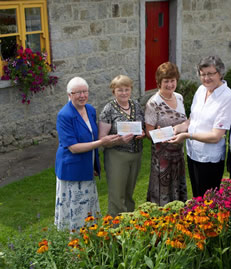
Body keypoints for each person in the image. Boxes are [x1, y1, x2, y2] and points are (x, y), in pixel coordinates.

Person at [55, 77, 120, 231]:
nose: (82, 95)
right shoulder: (64, 115)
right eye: (78, 92)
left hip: (87, 165)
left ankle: (90, 236)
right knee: (76, 208)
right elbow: (73, 147)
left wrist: (94, 163)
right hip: (72, 170)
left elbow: (91, 136)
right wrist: (102, 143)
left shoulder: (90, 110)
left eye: (85, 91)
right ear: (69, 95)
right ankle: (74, 241)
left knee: (88, 206)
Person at [169, 55, 231, 197]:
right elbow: (192, 118)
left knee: (208, 201)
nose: (206, 78)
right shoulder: (201, 90)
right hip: (193, 153)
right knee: (197, 196)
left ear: (220, 73)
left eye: (210, 74)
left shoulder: (227, 97)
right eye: (202, 74)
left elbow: (216, 136)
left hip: (209, 158)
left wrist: (187, 135)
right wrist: (180, 127)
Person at [99, 75, 145, 217]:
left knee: (129, 192)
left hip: (136, 154)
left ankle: (129, 224)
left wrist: (142, 133)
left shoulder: (135, 105)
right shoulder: (109, 109)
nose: (124, 93)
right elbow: (102, 138)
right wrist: (119, 140)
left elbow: (141, 126)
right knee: (117, 194)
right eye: (120, 90)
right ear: (114, 91)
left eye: (127, 89)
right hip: (117, 155)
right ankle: (115, 226)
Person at [145, 62, 187, 206]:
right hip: (161, 155)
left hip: (178, 151)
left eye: (172, 80)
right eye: (166, 81)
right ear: (159, 82)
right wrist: (161, 134)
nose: (170, 84)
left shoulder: (179, 97)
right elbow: (149, 132)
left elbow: (184, 121)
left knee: (178, 186)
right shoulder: (153, 103)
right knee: (162, 190)